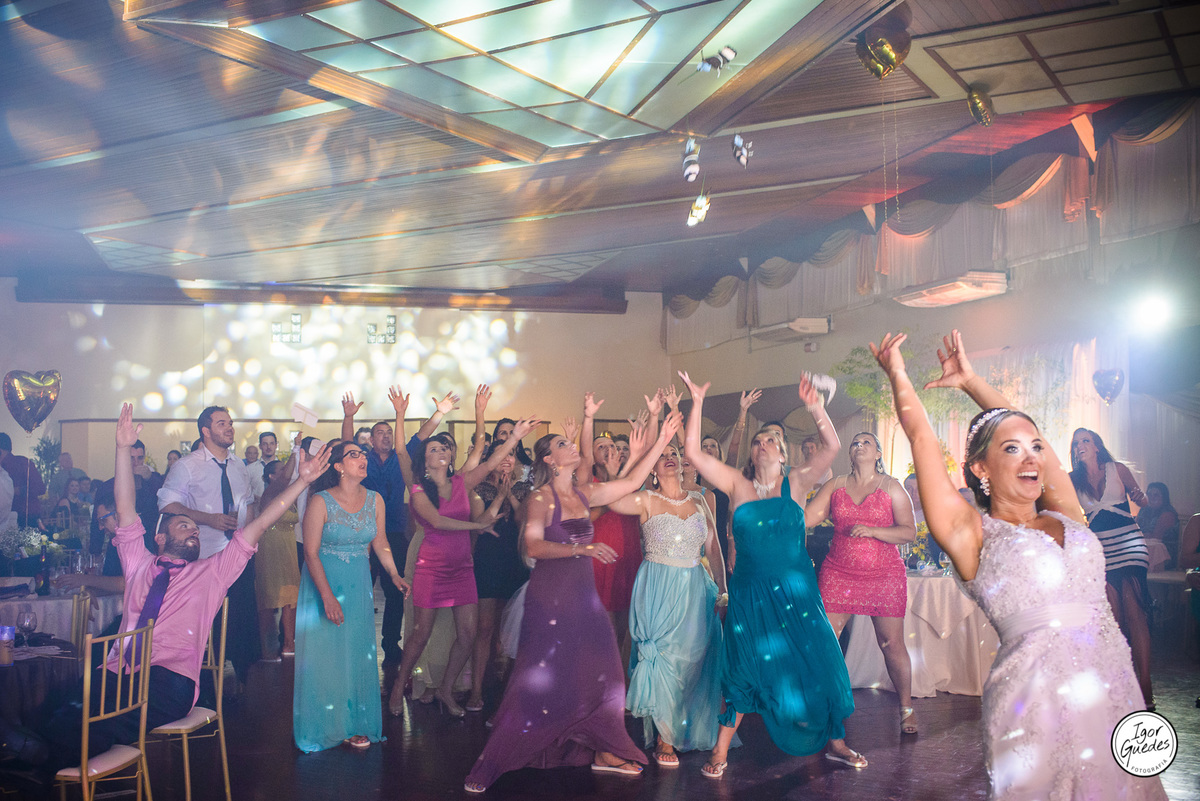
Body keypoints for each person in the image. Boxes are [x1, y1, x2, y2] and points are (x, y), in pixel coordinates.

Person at [871, 329, 1165, 800]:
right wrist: (898, 374)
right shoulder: (972, 534)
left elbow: (1035, 435)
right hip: (1034, 703)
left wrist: (972, 382)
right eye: (1012, 449)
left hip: (1113, 690)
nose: (1032, 456)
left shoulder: (1066, 514)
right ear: (981, 469)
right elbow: (922, 437)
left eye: (1035, 448)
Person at [28, 404, 328, 781]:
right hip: (119, 668)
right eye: (185, 526)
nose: (194, 532)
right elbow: (125, 506)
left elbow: (260, 523)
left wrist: (301, 482)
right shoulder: (138, 562)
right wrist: (122, 449)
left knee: (94, 716)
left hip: (170, 679)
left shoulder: (212, 573)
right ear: (159, 538)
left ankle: (38, 756)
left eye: (196, 530)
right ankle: (38, 755)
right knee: (66, 702)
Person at [464, 412, 683, 793]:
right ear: (549, 460)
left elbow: (631, 481)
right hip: (550, 598)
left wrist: (661, 440)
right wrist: (582, 547)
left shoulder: (583, 494)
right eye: (562, 445)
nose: (572, 447)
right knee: (537, 677)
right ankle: (498, 757)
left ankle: (604, 750)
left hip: (584, 597)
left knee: (609, 676)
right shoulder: (539, 498)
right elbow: (533, 544)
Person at [678, 370, 864, 778]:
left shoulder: (795, 482)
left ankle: (836, 741)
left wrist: (815, 407)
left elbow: (832, 445)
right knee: (745, 666)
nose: (763, 445)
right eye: (758, 441)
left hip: (797, 593)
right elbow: (693, 452)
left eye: (771, 441)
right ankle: (721, 748)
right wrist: (697, 402)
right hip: (750, 594)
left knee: (820, 661)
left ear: (783, 453)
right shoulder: (736, 485)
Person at [389, 387, 537, 718]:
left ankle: (445, 689)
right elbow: (437, 520)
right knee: (420, 634)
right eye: (433, 448)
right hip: (432, 567)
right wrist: (400, 414)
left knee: (468, 635)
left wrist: (512, 435)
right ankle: (400, 685)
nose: (439, 450)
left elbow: (492, 456)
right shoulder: (416, 489)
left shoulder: (462, 482)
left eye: (444, 447)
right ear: (425, 460)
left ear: (450, 456)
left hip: (462, 568)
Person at [605, 442, 730, 765]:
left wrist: (722, 589)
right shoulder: (646, 499)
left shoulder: (700, 500)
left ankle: (682, 726)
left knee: (693, 661)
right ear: (653, 470)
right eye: (662, 456)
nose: (670, 458)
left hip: (696, 587)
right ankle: (665, 737)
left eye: (673, 453)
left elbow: (713, 547)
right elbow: (612, 500)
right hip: (658, 587)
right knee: (666, 659)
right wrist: (634, 460)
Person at [294, 440, 409, 752]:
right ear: (338, 466)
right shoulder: (320, 501)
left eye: (363, 454)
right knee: (327, 655)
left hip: (358, 584)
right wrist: (328, 597)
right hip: (324, 584)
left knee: (356, 652)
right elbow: (311, 553)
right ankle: (328, 725)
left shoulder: (375, 500)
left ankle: (354, 722)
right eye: (353, 455)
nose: (362, 459)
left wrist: (394, 573)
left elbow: (380, 540)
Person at [341, 389, 458, 691]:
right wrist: (349, 417)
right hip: (364, 533)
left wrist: (441, 412)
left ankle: (390, 643)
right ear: (370, 438)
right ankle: (357, 642)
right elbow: (345, 445)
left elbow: (423, 434)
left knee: (397, 592)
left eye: (389, 432)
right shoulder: (362, 459)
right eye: (379, 433)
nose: (385, 436)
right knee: (361, 587)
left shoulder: (401, 457)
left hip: (395, 533)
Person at [806, 432, 917, 734]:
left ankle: (906, 707)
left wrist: (873, 531)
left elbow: (909, 532)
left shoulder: (892, 487)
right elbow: (807, 518)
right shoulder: (835, 486)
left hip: (884, 575)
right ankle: (829, 704)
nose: (859, 445)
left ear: (879, 453)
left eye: (866, 442)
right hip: (838, 571)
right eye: (855, 442)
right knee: (826, 639)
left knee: (890, 643)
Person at [158, 406, 259, 693]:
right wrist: (208, 519)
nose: (229, 428)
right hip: (205, 557)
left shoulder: (238, 465)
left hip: (238, 554)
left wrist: (248, 536)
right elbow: (167, 505)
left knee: (240, 618)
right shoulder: (187, 466)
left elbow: (248, 504)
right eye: (221, 423)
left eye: (230, 423)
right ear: (205, 430)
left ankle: (241, 681)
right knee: (207, 623)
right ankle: (201, 688)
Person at [1069, 427, 1154, 708]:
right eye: (1076, 442)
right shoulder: (1073, 480)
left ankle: (1145, 684)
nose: (1080, 445)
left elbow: (1142, 500)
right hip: (1100, 546)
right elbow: (1066, 515)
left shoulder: (1117, 469)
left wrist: (1142, 499)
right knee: (1114, 618)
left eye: (1085, 441)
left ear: (1096, 446)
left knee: (1135, 610)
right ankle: (1120, 682)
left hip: (1129, 540)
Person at [466, 441, 531, 713]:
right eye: (501, 455)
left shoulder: (526, 489)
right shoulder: (477, 488)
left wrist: (511, 495)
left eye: (511, 455)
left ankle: (509, 688)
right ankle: (477, 689)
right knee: (484, 628)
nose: (507, 460)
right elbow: (480, 524)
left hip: (516, 561)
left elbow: (526, 522)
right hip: (487, 561)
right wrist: (499, 496)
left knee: (514, 631)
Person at [254, 460, 301, 660]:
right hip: (271, 549)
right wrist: (294, 451)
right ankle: (267, 647)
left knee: (291, 597)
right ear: (272, 476)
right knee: (270, 597)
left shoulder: (288, 494)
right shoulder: (269, 494)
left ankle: (289, 643)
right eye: (281, 470)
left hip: (288, 548)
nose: (286, 473)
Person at [0, 432, 46, 527]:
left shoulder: (22, 463)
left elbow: (40, 488)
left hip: (25, 516)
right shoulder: (23, 462)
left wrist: (17, 490)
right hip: (14, 516)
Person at [1136, 482, 1180, 568]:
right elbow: (1133, 530)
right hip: (1143, 547)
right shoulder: (1143, 510)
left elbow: (1155, 538)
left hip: (1162, 555)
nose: (1152, 498)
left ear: (1164, 497)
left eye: (1156, 495)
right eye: (1149, 494)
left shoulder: (1168, 513)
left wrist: (1139, 536)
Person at [247, 431, 278, 500]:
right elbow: (245, 492)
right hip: (256, 508)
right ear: (260, 446)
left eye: (271, 444)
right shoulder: (249, 469)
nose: (268, 447)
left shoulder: (284, 469)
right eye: (265, 444)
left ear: (276, 445)